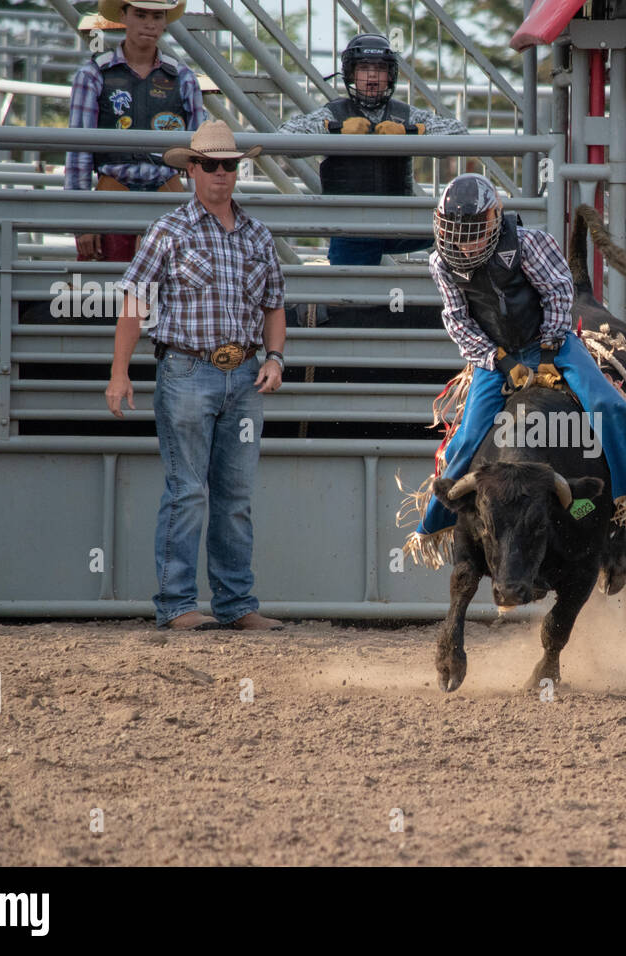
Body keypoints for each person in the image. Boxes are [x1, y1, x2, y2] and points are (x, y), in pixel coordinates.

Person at [407, 174, 626, 559]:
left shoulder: (530, 244)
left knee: (608, 406)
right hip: (495, 357)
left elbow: (560, 293)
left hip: (555, 344)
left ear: (494, 222)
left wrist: (547, 350)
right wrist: (500, 360)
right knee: (465, 438)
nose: (463, 243)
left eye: (473, 231)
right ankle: (437, 523)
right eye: (455, 232)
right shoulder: (441, 264)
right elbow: (458, 321)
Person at [104, 121, 287, 631]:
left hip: (244, 372)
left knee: (234, 496)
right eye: (211, 165)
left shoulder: (257, 234)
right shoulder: (169, 230)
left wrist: (274, 358)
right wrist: (120, 372)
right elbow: (134, 303)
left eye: (229, 165)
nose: (221, 174)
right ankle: (178, 604)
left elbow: (274, 306)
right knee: (188, 492)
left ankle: (234, 604)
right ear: (191, 170)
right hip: (185, 368)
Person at [277, 33, 468, 265]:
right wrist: (334, 130)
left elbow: (460, 134)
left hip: (399, 221)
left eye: (379, 69)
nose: (371, 76)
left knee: (463, 231)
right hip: (350, 226)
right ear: (351, 74)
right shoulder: (334, 114)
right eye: (364, 68)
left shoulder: (406, 115)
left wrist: (412, 132)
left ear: (390, 76)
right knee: (352, 296)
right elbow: (284, 138)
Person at [65, 0, 205, 262]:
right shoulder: (93, 75)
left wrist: (200, 217)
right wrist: (82, 222)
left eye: (157, 16)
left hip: (168, 198)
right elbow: (78, 152)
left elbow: (199, 155)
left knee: (174, 295)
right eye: (141, 15)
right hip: (113, 195)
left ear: (165, 21)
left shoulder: (183, 78)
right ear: (123, 16)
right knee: (107, 296)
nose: (150, 24)